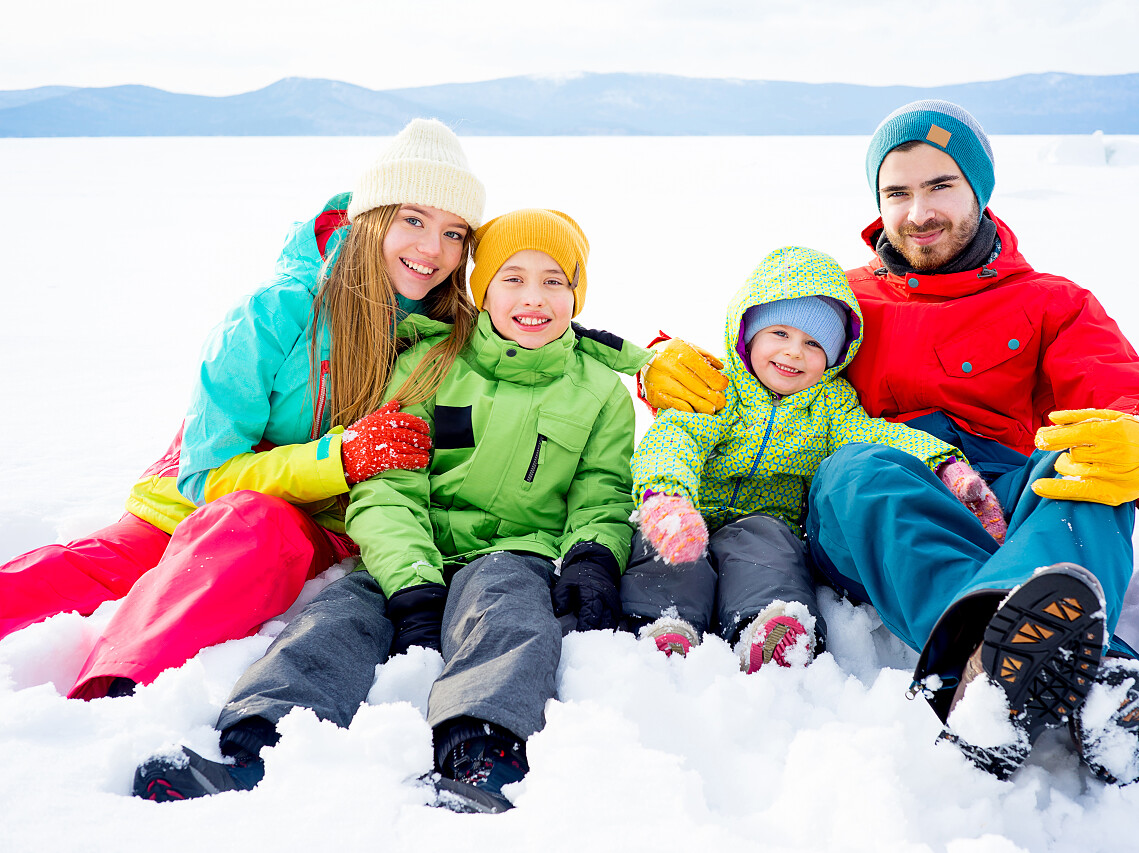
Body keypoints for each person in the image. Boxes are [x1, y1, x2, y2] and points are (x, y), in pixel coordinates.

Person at [133, 209, 646, 813]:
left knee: (512, 620)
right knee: (335, 618)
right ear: (483, 288)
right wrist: (411, 585)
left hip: (517, 551)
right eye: (513, 278)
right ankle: (257, 744)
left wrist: (592, 559)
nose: (533, 298)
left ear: (576, 293)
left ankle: (483, 754)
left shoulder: (599, 393)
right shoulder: (430, 364)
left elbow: (602, 495)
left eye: (554, 281)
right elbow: (387, 488)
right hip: (409, 549)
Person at [0, 118, 481, 698]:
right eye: (413, 219)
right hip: (194, 501)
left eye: (455, 233)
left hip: (321, 528)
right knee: (102, 568)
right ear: (372, 217)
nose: (432, 249)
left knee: (258, 533)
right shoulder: (277, 313)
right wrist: (342, 459)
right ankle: (117, 684)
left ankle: (120, 685)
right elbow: (208, 473)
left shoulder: (446, 335)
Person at [802, 100, 1139, 783]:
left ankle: (1025, 664)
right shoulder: (840, 297)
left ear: (979, 192)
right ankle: (1043, 665)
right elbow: (755, 359)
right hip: (874, 512)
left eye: (940, 186)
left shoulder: (1051, 302)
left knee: (1086, 454)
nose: (917, 211)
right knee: (862, 464)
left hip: (999, 505)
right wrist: (667, 367)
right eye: (896, 192)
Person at [622, 246, 991, 673]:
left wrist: (944, 464)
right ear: (747, 333)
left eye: (813, 343)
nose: (794, 352)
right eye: (780, 333)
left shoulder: (832, 407)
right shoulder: (718, 390)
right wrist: (665, 496)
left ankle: (770, 627)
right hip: (686, 513)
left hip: (766, 521)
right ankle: (663, 624)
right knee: (663, 550)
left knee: (770, 553)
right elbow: (674, 438)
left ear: (836, 357)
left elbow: (878, 435)